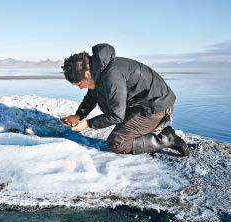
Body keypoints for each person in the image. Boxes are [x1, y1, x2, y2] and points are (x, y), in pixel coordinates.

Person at [60, 43, 190, 156]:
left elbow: (116, 116)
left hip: (157, 107)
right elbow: (92, 95)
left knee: (116, 143)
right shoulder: (99, 69)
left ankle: (167, 139)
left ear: (86, 74)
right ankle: (143, 128)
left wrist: (88, 124)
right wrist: (79, 115)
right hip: (144, 103)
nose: (81, 88)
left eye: (79, 84)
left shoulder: (111, 76)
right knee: (103, 99)